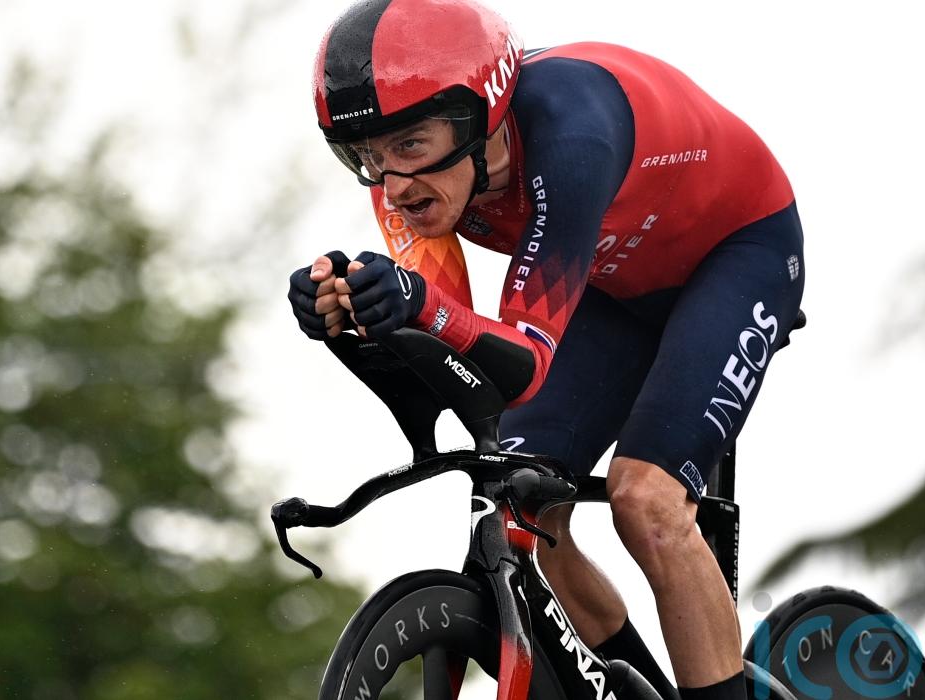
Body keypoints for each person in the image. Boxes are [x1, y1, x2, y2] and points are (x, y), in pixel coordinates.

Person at [289, 1, 805, 698]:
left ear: (478, 118)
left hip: (738, 254)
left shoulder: (571, 134)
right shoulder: (406, 180)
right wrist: (355, 316)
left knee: (646, 501)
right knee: (523, 500)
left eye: (409, 145)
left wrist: (417, 303)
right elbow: (457, 352)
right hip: (612, 286)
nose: (393, 184)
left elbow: (523, 363)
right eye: (366, 155)